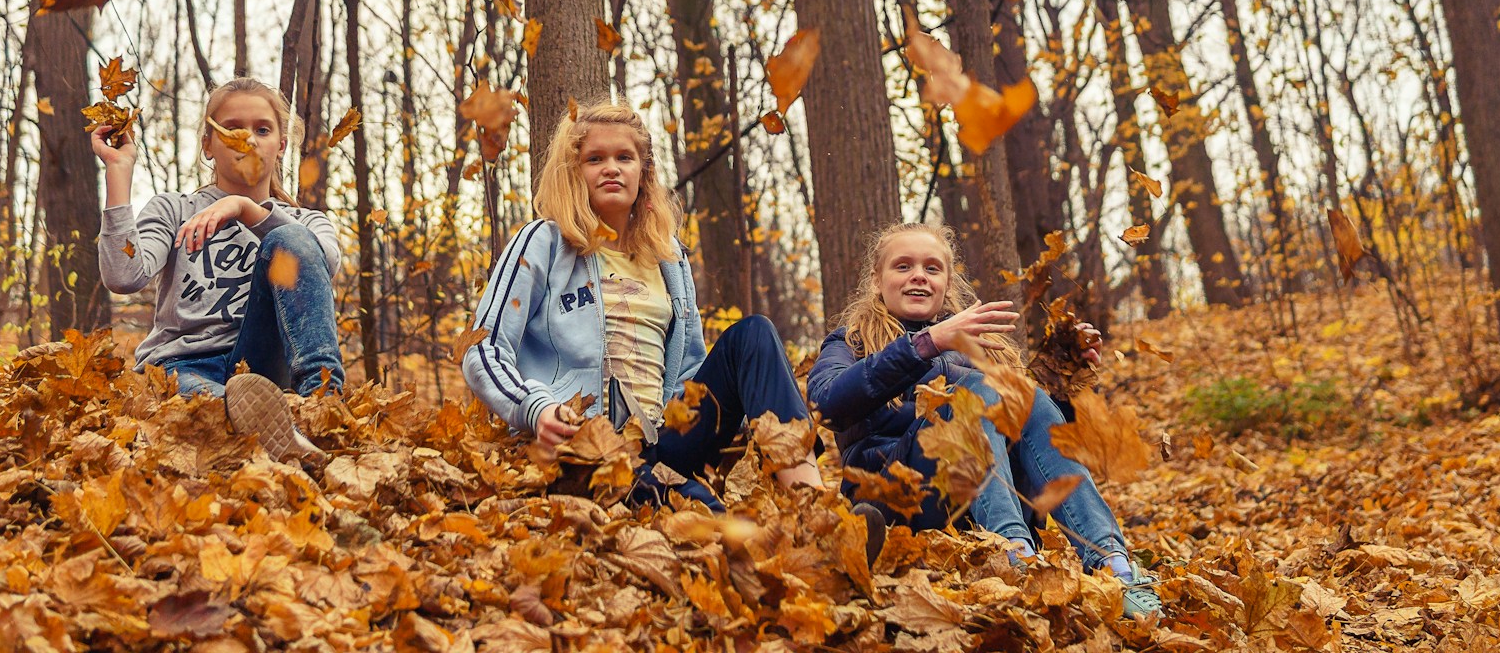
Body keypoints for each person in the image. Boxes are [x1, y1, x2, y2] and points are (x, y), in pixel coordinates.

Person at [461, 101, 856, 523]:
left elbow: (688, 372)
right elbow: (482, 350)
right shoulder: (543, 242)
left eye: (624, 158)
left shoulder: (669, 259)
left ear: (642, 172)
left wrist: (739, 423)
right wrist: (535, 408)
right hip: (583, 447)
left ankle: (815, 509)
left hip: (663, 437)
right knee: (714, 522)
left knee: (754, 334)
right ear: (573, 172)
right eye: (595, 159)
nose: (611, 168)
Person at [806, 222, 1161, 618]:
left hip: (974, 507)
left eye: (932, 268)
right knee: (979, 392)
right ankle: (1012, 554)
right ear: (877, 281)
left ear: (946, 284)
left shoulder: (983, 349)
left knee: (1025, 395)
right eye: (903, 266)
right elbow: (827, 404)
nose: (919, 275)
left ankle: (1113, 564)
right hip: (899, 503)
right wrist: (927, 344)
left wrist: (1065, 379)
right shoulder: (849, 342)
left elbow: (1038, 447)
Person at [92, 76, 344, 461]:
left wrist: (245, 210)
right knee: (211, 402)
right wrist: (119, 173)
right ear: (208, 145)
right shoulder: (175, 210)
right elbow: (124, 276)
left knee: (291, 242)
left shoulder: (306, 223)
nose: (248, 139)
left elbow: (322, 268)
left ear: (281, 146)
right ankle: (275, 432)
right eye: (231, 129)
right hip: (182, 365)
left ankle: (323, 404)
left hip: (263, 371)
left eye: (262, 129)